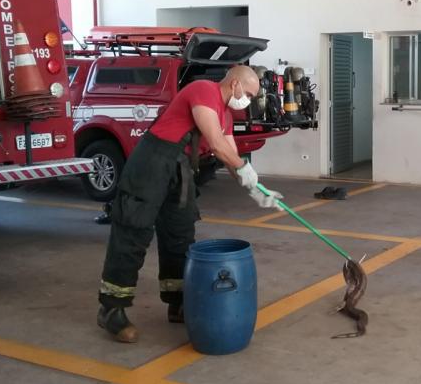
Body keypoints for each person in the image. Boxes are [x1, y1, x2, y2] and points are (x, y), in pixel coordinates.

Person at [96, 65, 283, 343]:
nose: (249, 101)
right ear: (234, 84)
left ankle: (178, 302)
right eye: (250, 94)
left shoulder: (226, 116)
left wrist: (257, 189)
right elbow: (218, 145)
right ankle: (112, 309)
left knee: (180, 235)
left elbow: (230, 154)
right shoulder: (203, 91)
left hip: (180, 170)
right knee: (133, 232)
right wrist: (245, 169)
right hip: (151, 163)